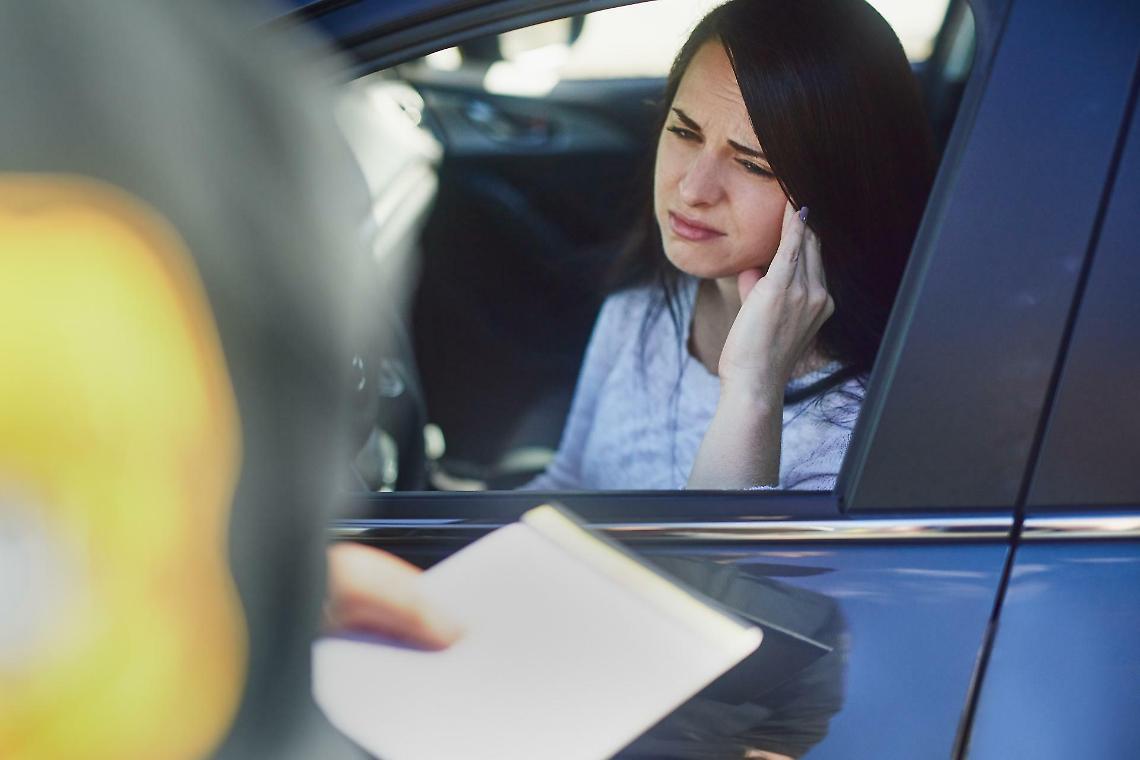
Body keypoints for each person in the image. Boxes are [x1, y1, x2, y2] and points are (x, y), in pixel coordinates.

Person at [527, 0, 936, 492]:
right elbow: (569, 485)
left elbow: (716, 570)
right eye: (683, 131)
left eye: (754, 164)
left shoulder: (857, 435)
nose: (694, 188)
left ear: (837, 192)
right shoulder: (642, 310)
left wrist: (752, 392)